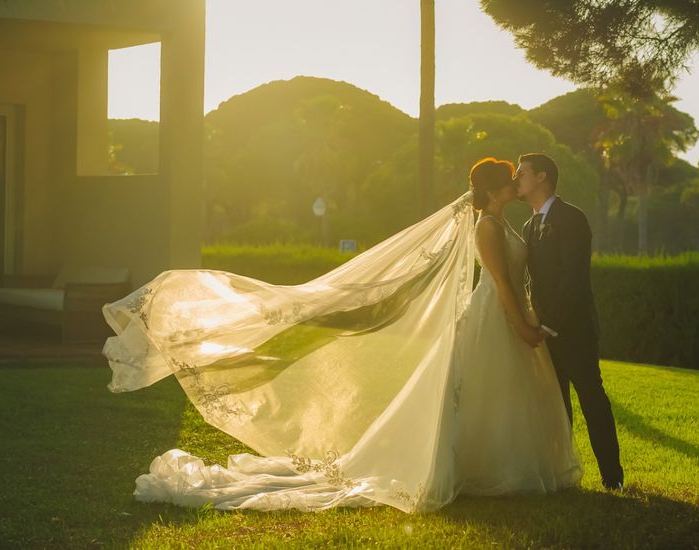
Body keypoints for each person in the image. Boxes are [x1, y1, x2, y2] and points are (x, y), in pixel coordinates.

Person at [102, 157, 581, 513]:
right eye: (513, 178)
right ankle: (487, 470)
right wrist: (521, 323)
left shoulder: (500, 221)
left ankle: (496, 467)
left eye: (523, 176)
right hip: (498, 319)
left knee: (491, 398)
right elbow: (499, 284)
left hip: (504, 318)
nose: (520, 182)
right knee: (485, 394)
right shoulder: (487, 228)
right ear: (498, 190)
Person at [517, 152, 624, 490]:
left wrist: (550, 323)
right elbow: (534, 280)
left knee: (592, 398)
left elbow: (574, 278)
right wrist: (535, 321)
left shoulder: (572, 218)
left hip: (575, 330)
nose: (516, 178)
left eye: (522, 173)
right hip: (544, 334)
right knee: (557, 407)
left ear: (542, 177)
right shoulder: (528, 225)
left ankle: (612, 478)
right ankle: (564, 476)